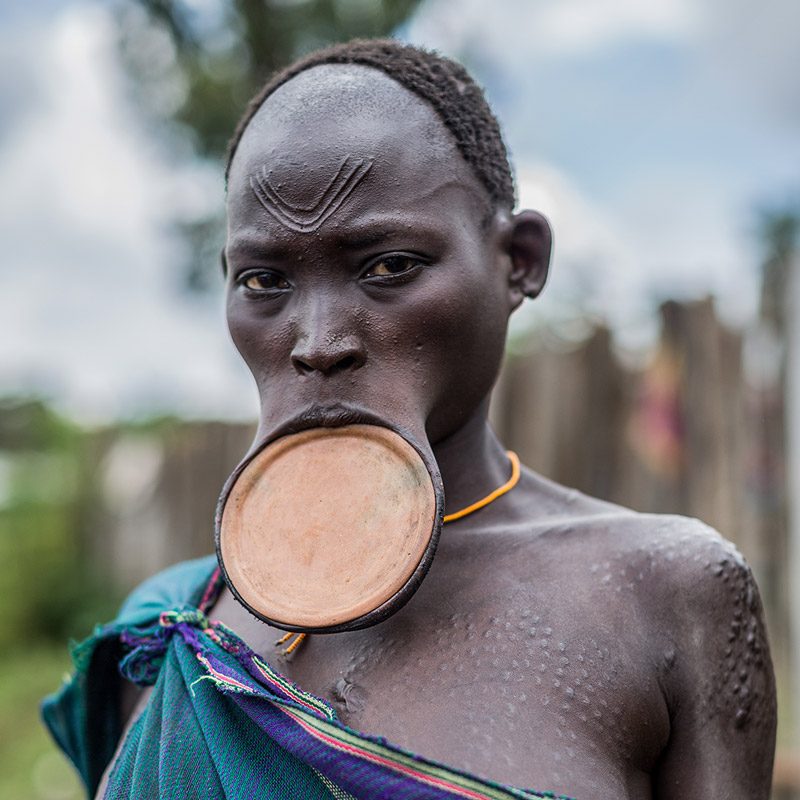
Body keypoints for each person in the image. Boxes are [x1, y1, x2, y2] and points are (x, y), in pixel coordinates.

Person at [43, 39, 777, 799]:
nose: (319, 342)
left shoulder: (664, 596)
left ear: (519, 259)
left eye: (388, 265)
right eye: (264, 280)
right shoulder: (169, 629)